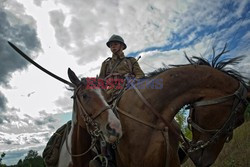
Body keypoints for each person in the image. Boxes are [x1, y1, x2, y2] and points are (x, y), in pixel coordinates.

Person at [99, 34, 145, 102]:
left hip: (129, 90)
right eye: (111, 45)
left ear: (122, 46)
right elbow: (101, 81)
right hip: (110, 94)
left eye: (115, 44)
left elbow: (140, 75)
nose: (113, 46)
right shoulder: (106, 63)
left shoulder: (131, 60)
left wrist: (134, 80)